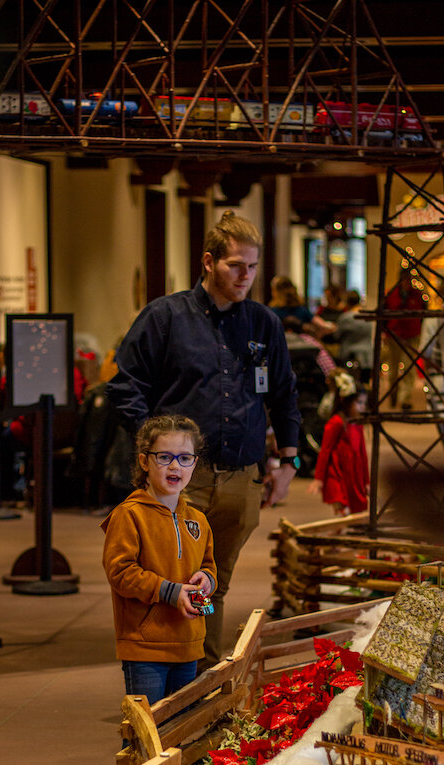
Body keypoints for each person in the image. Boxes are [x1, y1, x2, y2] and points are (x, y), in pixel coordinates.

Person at [106, 209, 301, 668]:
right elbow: (123, 386)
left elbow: (284, 391)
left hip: (241, 477)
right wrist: (152, 450)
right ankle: (167, 674)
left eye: (253, 267)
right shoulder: (165, 316)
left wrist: (288, 462)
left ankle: (202, 673)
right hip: (179, 480)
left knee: (214, 584)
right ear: (208, 261)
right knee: (166, 580)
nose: (246, 276)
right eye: (236, 265)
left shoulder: (263, 323)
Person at [101, 415, 216, 704]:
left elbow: (209, 565)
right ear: (144, 461)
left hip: (188, 643)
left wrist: (207, 580)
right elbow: (120, 572)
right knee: (148, 730)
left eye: (185, 457)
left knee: (180, 724)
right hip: (145, 647)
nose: (175, 465)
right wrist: (170, 591)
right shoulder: (129, 514)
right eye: (164, 457)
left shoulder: (198, 519)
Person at [308, 371, 369, 516]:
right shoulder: (336, 423)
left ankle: (341, 527)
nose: (362, 408)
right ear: (345, 402)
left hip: (354, 472)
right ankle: (339, 527)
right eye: (358, 403)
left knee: (353, 505)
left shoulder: (357, 424)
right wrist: (319, 478)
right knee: (340, 502)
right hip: (338, 472)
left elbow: (363, 453)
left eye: (364, 404)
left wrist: (366, 480)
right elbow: (325, 450)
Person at [381, 269, 425, 411]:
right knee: (393, 370)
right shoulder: (391, 294)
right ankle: (394, 395)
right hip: (394, 335)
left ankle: (404, 399)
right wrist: (384, 332)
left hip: (411, 335)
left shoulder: (417, 295)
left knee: (408, 368)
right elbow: (384, 314)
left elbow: (422, 314)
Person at [333, 289, 375, 382]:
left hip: (349, 357)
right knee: (365, 384)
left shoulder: (345, 318)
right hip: (367, 357)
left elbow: (337, 336)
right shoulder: (367, 316)